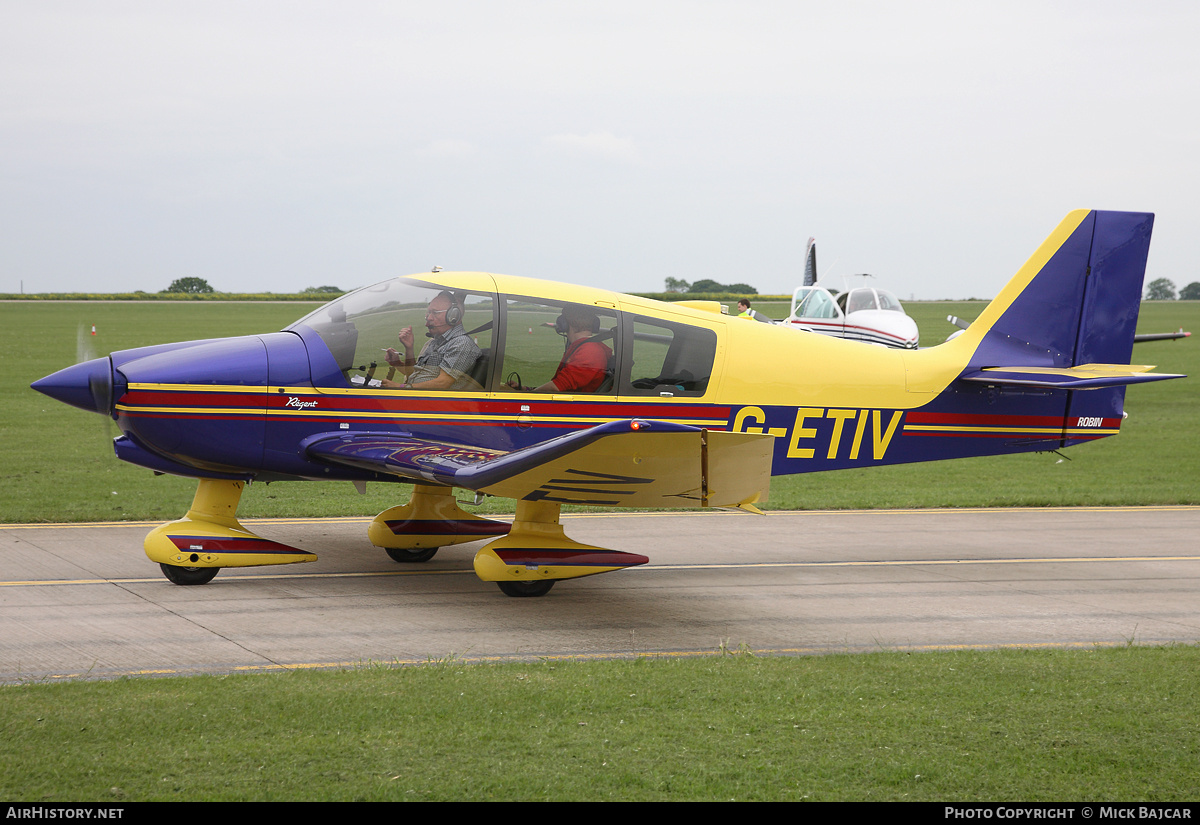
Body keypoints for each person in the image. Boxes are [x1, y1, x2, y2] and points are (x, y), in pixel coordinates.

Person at [381, 291, 481, 390]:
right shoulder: (433, 342)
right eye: (428, 312)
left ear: (453, 316)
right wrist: (407, 351)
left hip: (438, 404)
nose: (428, 318)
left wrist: (402, 387)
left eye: (435, 313)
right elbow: (413, 374)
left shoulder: (461, 343)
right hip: (421, 399)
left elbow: (442, 383)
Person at [508, 305, 613, 393]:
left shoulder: (590, 352)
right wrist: (524, 389)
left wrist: (527, 396)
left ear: (564, 324)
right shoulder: (583, 347)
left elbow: (556, 388)